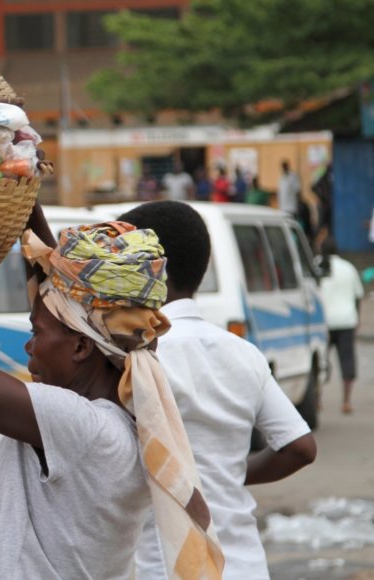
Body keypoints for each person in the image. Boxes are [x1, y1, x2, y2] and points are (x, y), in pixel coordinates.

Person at [0, 160, 223, 579]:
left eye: (36, 331)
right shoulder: (120, 409)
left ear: (79, 346)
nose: (29, 345)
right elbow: (53, 286)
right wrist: (23, 183)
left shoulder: (82, 427)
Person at [117, 201, 318, 579]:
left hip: (169, 567)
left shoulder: (135, 360)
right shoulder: (242, 352)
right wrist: (227, 473)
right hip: (244, 566)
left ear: (143, 270)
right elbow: (300, 447)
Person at [318, 237, 363, 414]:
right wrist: (357, 318)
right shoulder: (348, 268)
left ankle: (317, 400)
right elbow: (358, 295)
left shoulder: (316, 266)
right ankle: (346, 401)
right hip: (346, 321)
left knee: (320, 362)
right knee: (347, 360)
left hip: (323, 323)